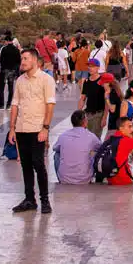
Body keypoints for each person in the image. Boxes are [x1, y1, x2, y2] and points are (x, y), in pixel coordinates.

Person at [10, 47, 58, 214]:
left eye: (25, 59)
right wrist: (12, 128)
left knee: (38, 164)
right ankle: (29, 199)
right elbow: (15, 104)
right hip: (22, 128)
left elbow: (50, 105)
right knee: (25, 166)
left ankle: (44, 199)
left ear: (34, 61)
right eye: (22, 59)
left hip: (37, 129)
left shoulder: (46, 80)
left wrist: (45, 128)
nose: (22, 62)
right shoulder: (20, 80)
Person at [53, 110, 101, 185]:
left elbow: (55, 148)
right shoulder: (91, 136)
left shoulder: (63, 135)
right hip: (85, 179)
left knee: (57, 155)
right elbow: (100, 148)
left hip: (64, 179)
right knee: (95, 155)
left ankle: (61, 179)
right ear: (85, 121)